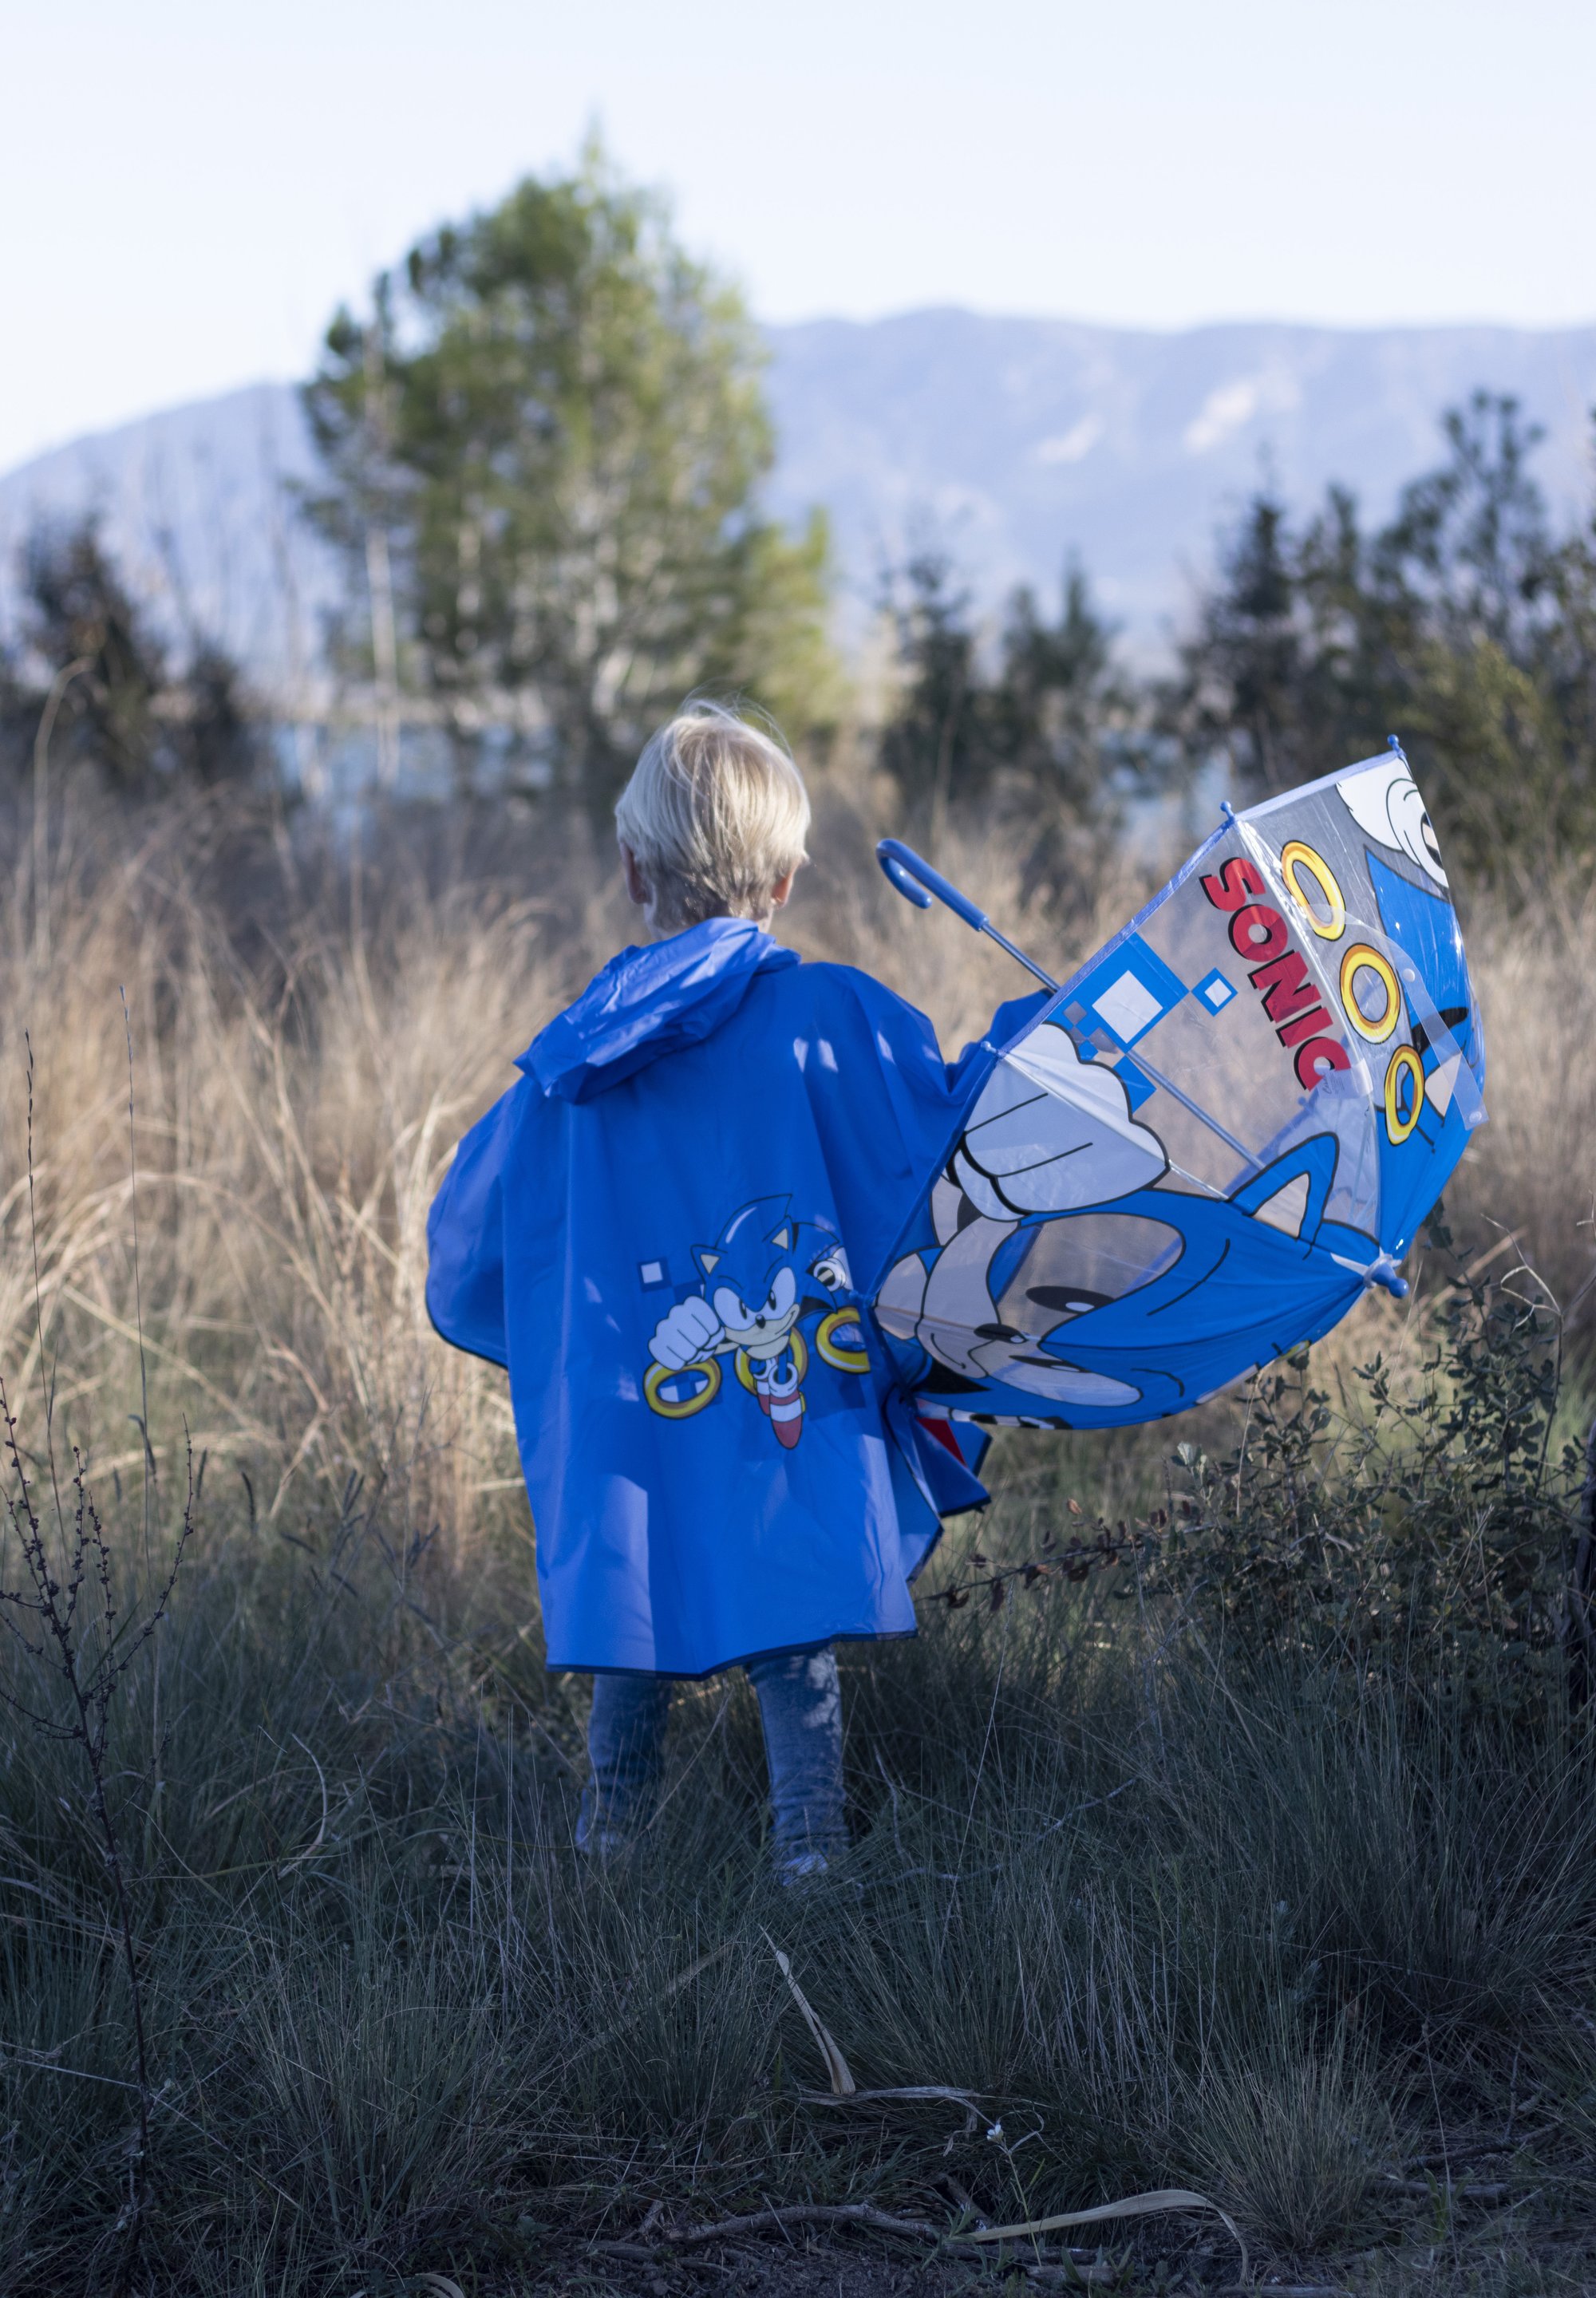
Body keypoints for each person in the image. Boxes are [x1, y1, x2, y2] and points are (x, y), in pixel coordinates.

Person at [425, 702, 1021, 1881]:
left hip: (631, 1399)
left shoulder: (568, 1061)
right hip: (781, 1387)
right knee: (791, 1595)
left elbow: (477, 1226)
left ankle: (611, 1844)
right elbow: (937, 1134)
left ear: (630, 869)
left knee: (632, 1598)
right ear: (786, 880)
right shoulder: (824, 1018)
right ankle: (810, 1850)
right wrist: (1034, 1042)